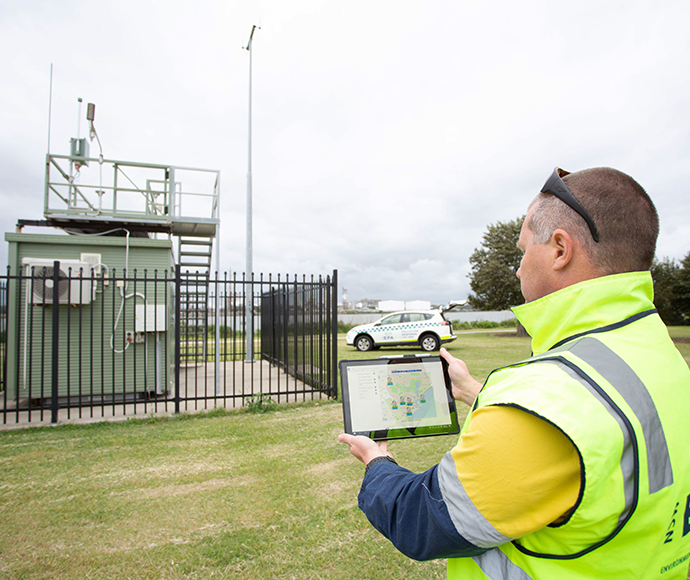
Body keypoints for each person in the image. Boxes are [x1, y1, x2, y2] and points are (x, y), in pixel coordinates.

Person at [339, 167, 690, 579]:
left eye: (523, 251)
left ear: (560, 249)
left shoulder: (545, 401)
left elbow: (423, 519)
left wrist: (377, 462)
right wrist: (473, 390)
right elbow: (601, 412)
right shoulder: (659, 353)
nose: (519, 269)